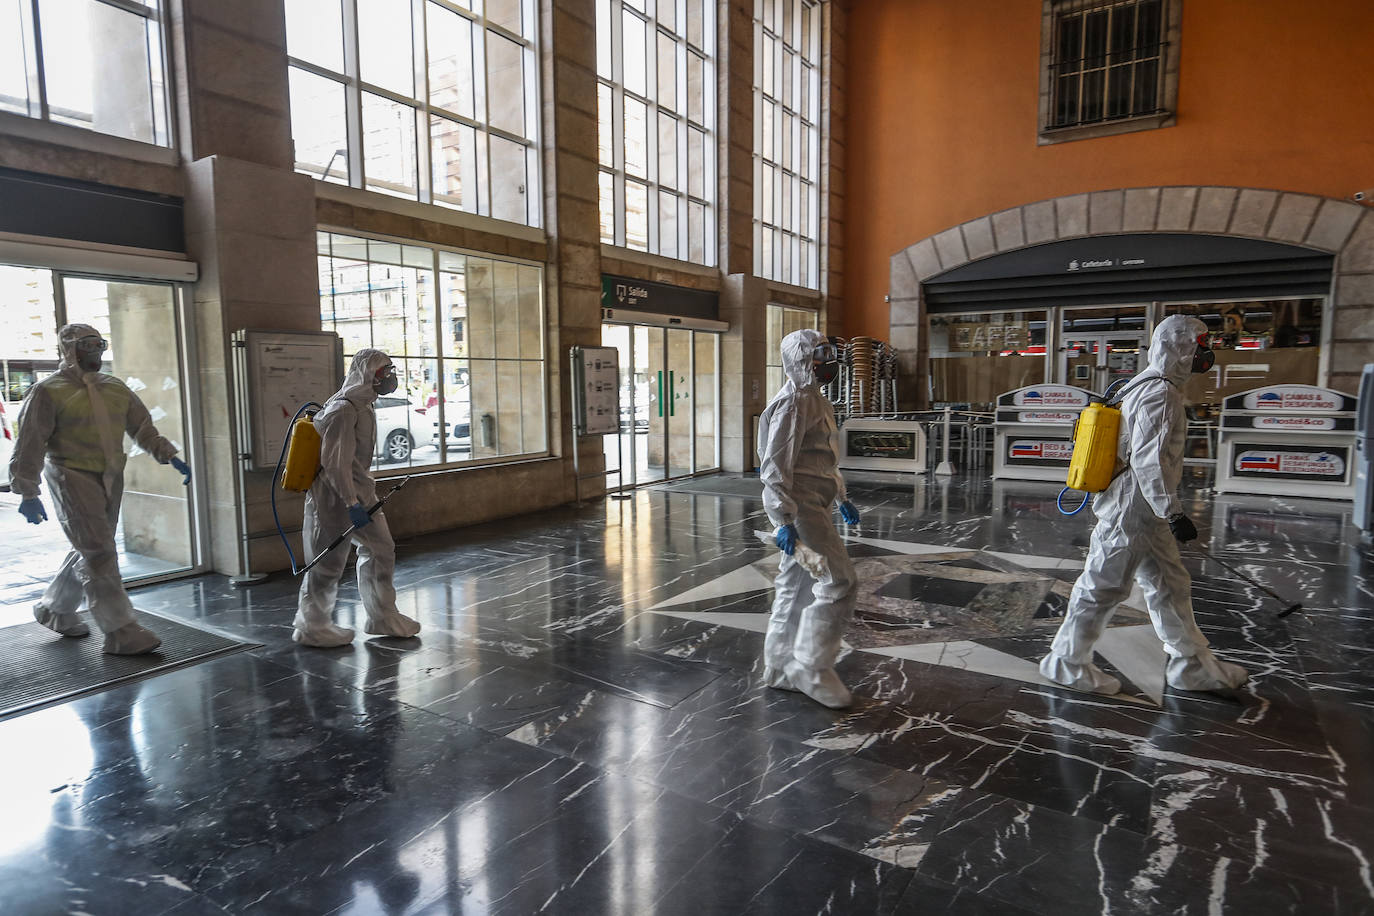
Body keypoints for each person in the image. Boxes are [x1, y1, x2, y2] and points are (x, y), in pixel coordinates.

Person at [1040, 314, 1248, 695]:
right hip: (1132, 507)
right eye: (1201, 346)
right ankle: (1065, 662)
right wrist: (1173, 512)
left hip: (1142, 507)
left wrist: (1165, 511)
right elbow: (1149, 459)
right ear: (1181, 347)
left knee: (1170, 585)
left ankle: (1191, 664)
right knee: (1103, 584)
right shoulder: (1160, 392)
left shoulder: (1145, 383)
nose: (1206, 354)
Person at [9, 323, 191, 655]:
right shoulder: (48, 391)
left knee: (93, 547)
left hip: (109, 476)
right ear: (69, 350)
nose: (95, 352)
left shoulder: (115, 388)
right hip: (70, 475)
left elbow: (143, 429)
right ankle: (121, 630)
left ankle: (54, 610)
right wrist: (28, 491)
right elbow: (30, 442)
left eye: (99, 344)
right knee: (100, 552)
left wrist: (170, 457)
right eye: (87, 345)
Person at [757, 329, 862, 708]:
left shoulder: (816, 399)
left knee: (795, 587)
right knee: (840, 582)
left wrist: (842, 495)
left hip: (817, 501)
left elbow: (822, 456)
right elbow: (774, 467)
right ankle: (812, 666)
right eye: (819, 355)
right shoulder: (793, 403)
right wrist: (783, 519)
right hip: (800, 506)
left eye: (828, 353)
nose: (827, 361)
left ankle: (780, 666)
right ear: (801, 360)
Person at [294, 348, 421, 647]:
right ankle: (312, 626)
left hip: (359, 491)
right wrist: (351, 504)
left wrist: (358, 498)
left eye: (390, 371)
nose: (390, 378)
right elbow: (335, 464)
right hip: (332, 497)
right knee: (328, 562)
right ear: (367, 374)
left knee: (381, 550)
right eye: (384, 373)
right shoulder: (343, 410)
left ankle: (382, 616)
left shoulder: (364, 406)